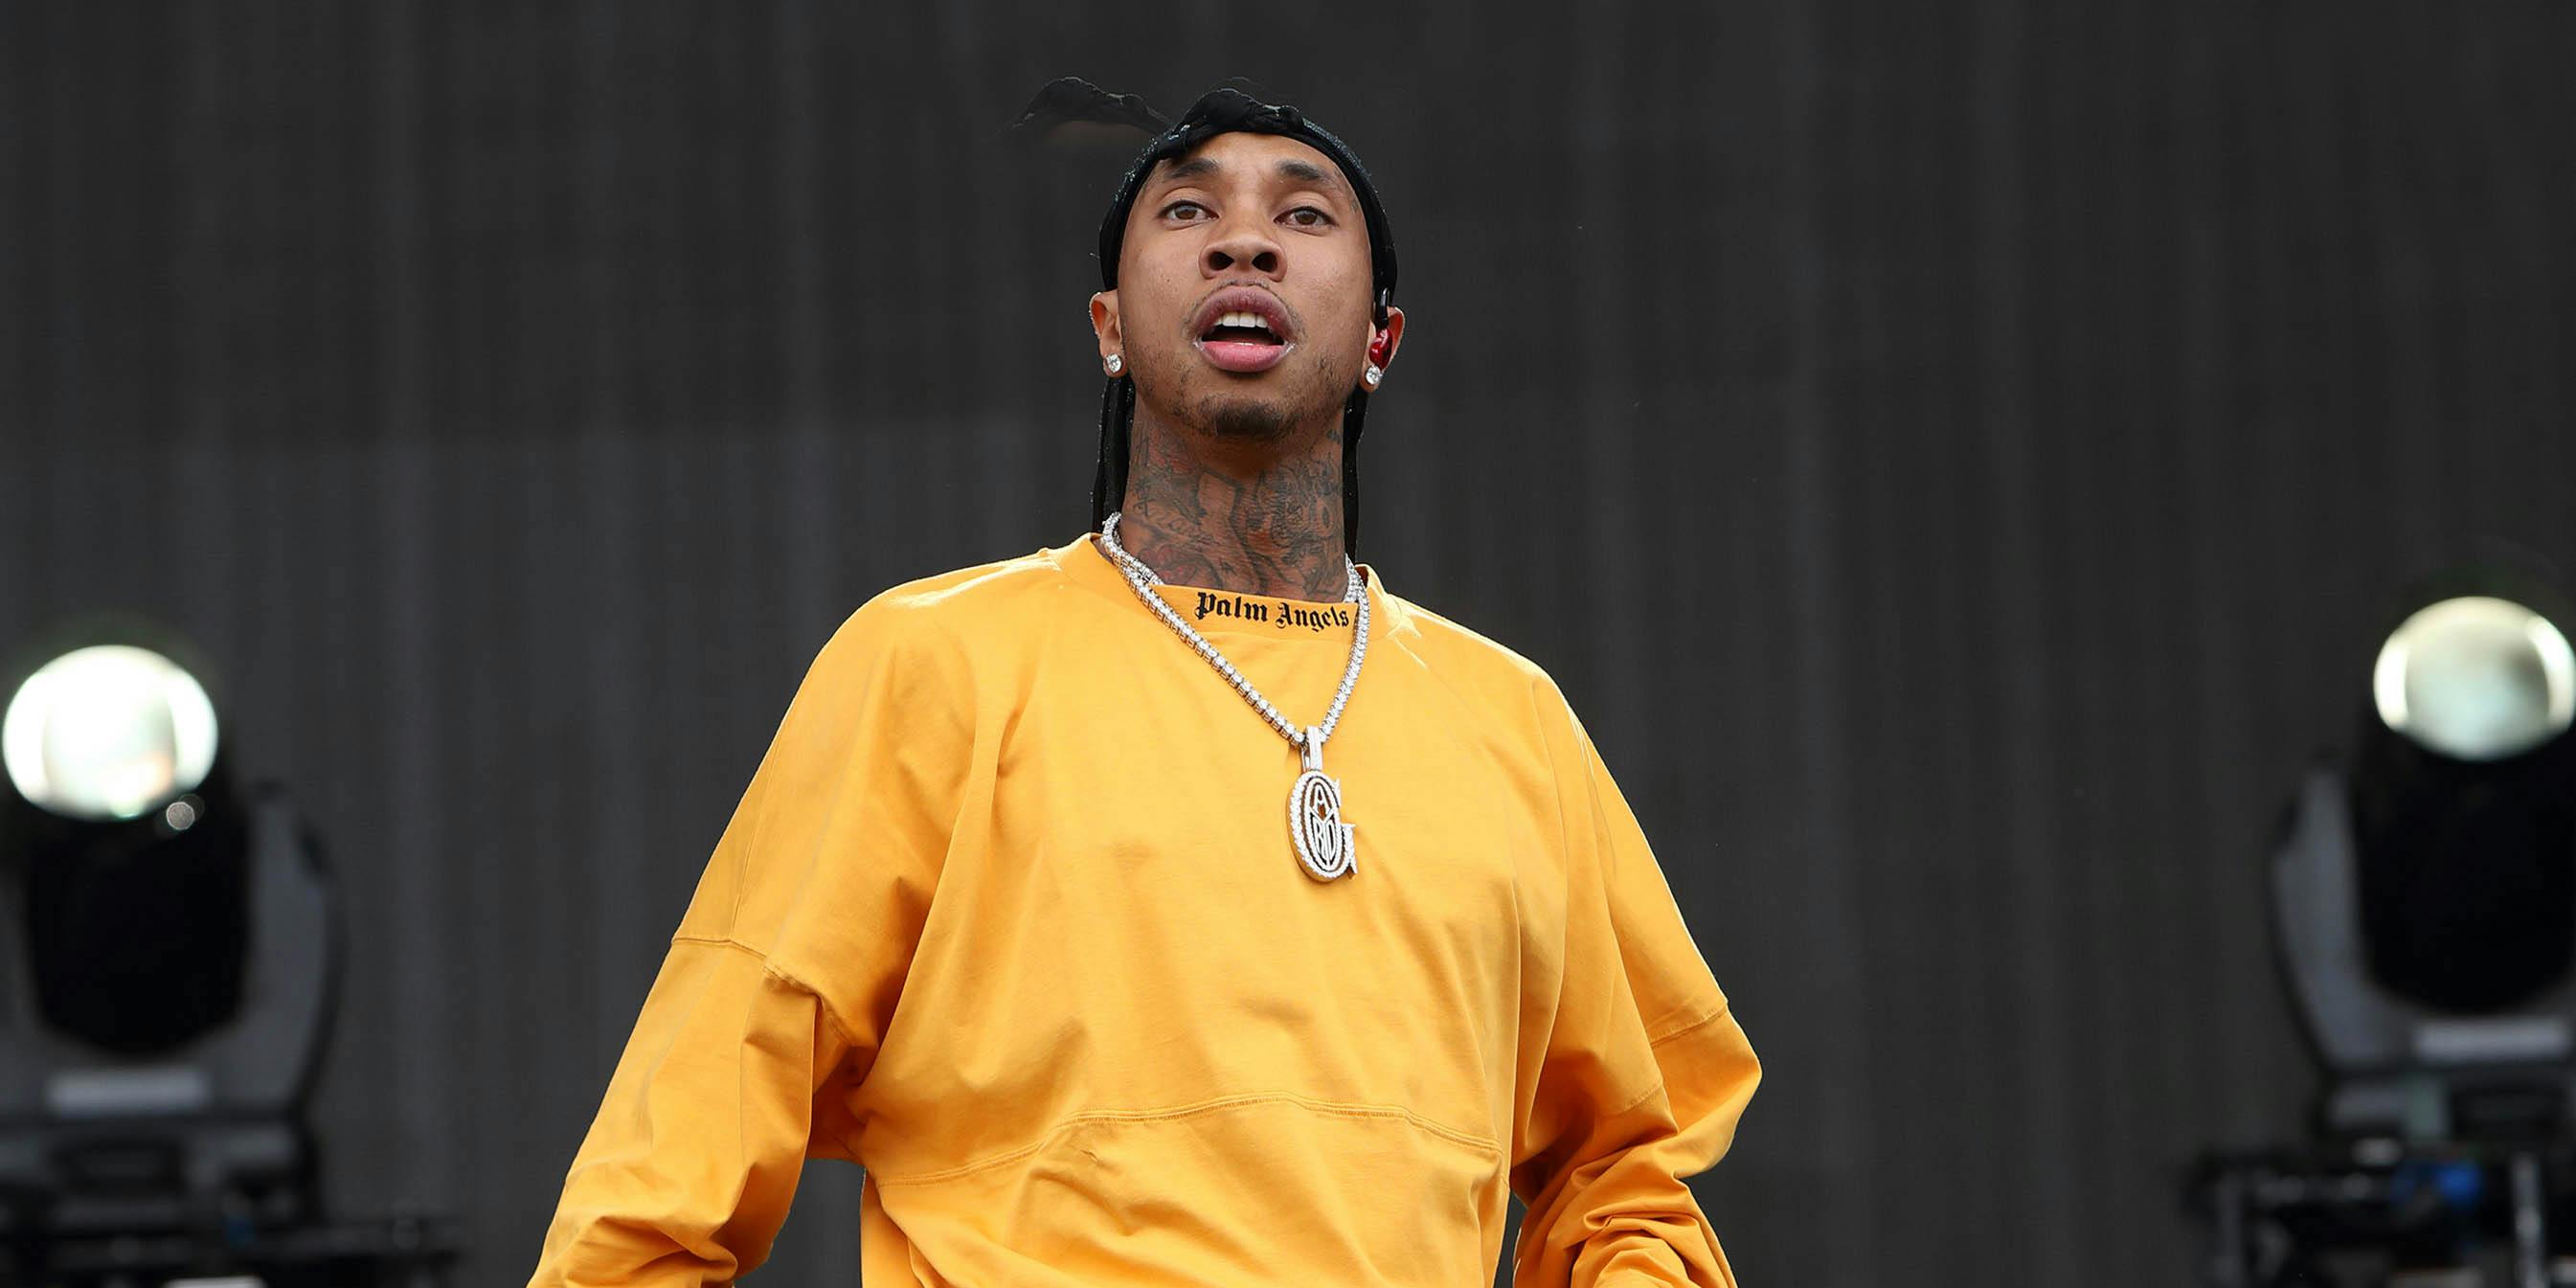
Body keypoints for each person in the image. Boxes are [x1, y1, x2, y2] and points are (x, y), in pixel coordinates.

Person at [527, 79, 1761, 1288]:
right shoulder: (934, 661)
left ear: (1381, 338)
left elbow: (1626, 1172)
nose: (1244, 241)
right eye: (1187, 212)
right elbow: (674, 1162)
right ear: (1110, 329)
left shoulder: (1514, 721)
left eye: (1303, 215)